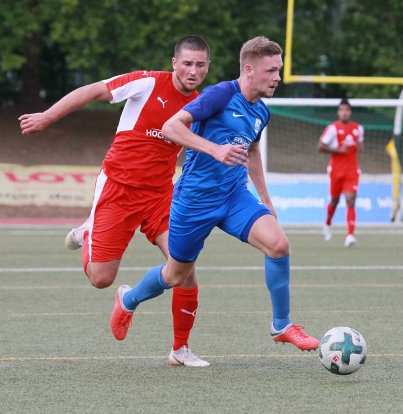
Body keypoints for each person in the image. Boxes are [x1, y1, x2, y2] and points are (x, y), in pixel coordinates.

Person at [110, 36, 319, 352]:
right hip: (194, 201)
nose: (278, 77)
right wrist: (215, 150)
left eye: (279, 70)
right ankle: (129, 298)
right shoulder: (220, 94)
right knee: (175, 276)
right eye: (271, 70)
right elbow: (171, 126)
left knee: (278, 245)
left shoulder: (261, 111)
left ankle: (282, 325)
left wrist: (266, 200)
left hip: (235, 196)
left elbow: (251, 151)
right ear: (249, 69)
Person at [18, 36, 212, 367]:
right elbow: (93, 91)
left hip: (160, 196)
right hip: (118, 190)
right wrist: (47, 117)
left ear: (207, 67)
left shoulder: (200, 105)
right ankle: (90, 232)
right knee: (101, 279)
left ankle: (180, 349)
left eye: (200, 65)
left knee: (185, 269)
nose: (193, 71)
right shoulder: (148, 82)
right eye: (187, 63)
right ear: (174, 62)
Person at [318, 99, 364, 247]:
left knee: (351, 200)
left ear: (350, 112)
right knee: (335, 200)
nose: (345, 112)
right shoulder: (332, 129)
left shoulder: (358, 128)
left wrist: (357, 145)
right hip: (336, 170)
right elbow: (320, 147)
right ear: (338, 112)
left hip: (352, 170)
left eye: (347, 110)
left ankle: (350, 235)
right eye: (342, 110)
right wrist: (338, 149)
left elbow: (360, 144)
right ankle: (327, 223)